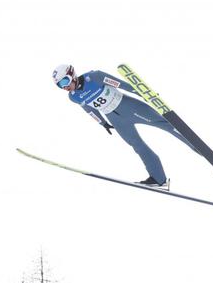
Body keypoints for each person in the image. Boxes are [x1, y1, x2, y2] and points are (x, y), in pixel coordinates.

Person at [52, 64, 199, 189]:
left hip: (129, 106)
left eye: (64, 81)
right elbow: (89, 109)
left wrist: (145, 94)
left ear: (72, 74)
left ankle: (198, 147)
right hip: (116, 120)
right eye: (59, 85)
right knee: (137, 145)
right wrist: (102, 123)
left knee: (166, 125)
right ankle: (158, 180)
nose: (64, 86)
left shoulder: (95, 77)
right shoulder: (73, 96)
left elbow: (121, 84)